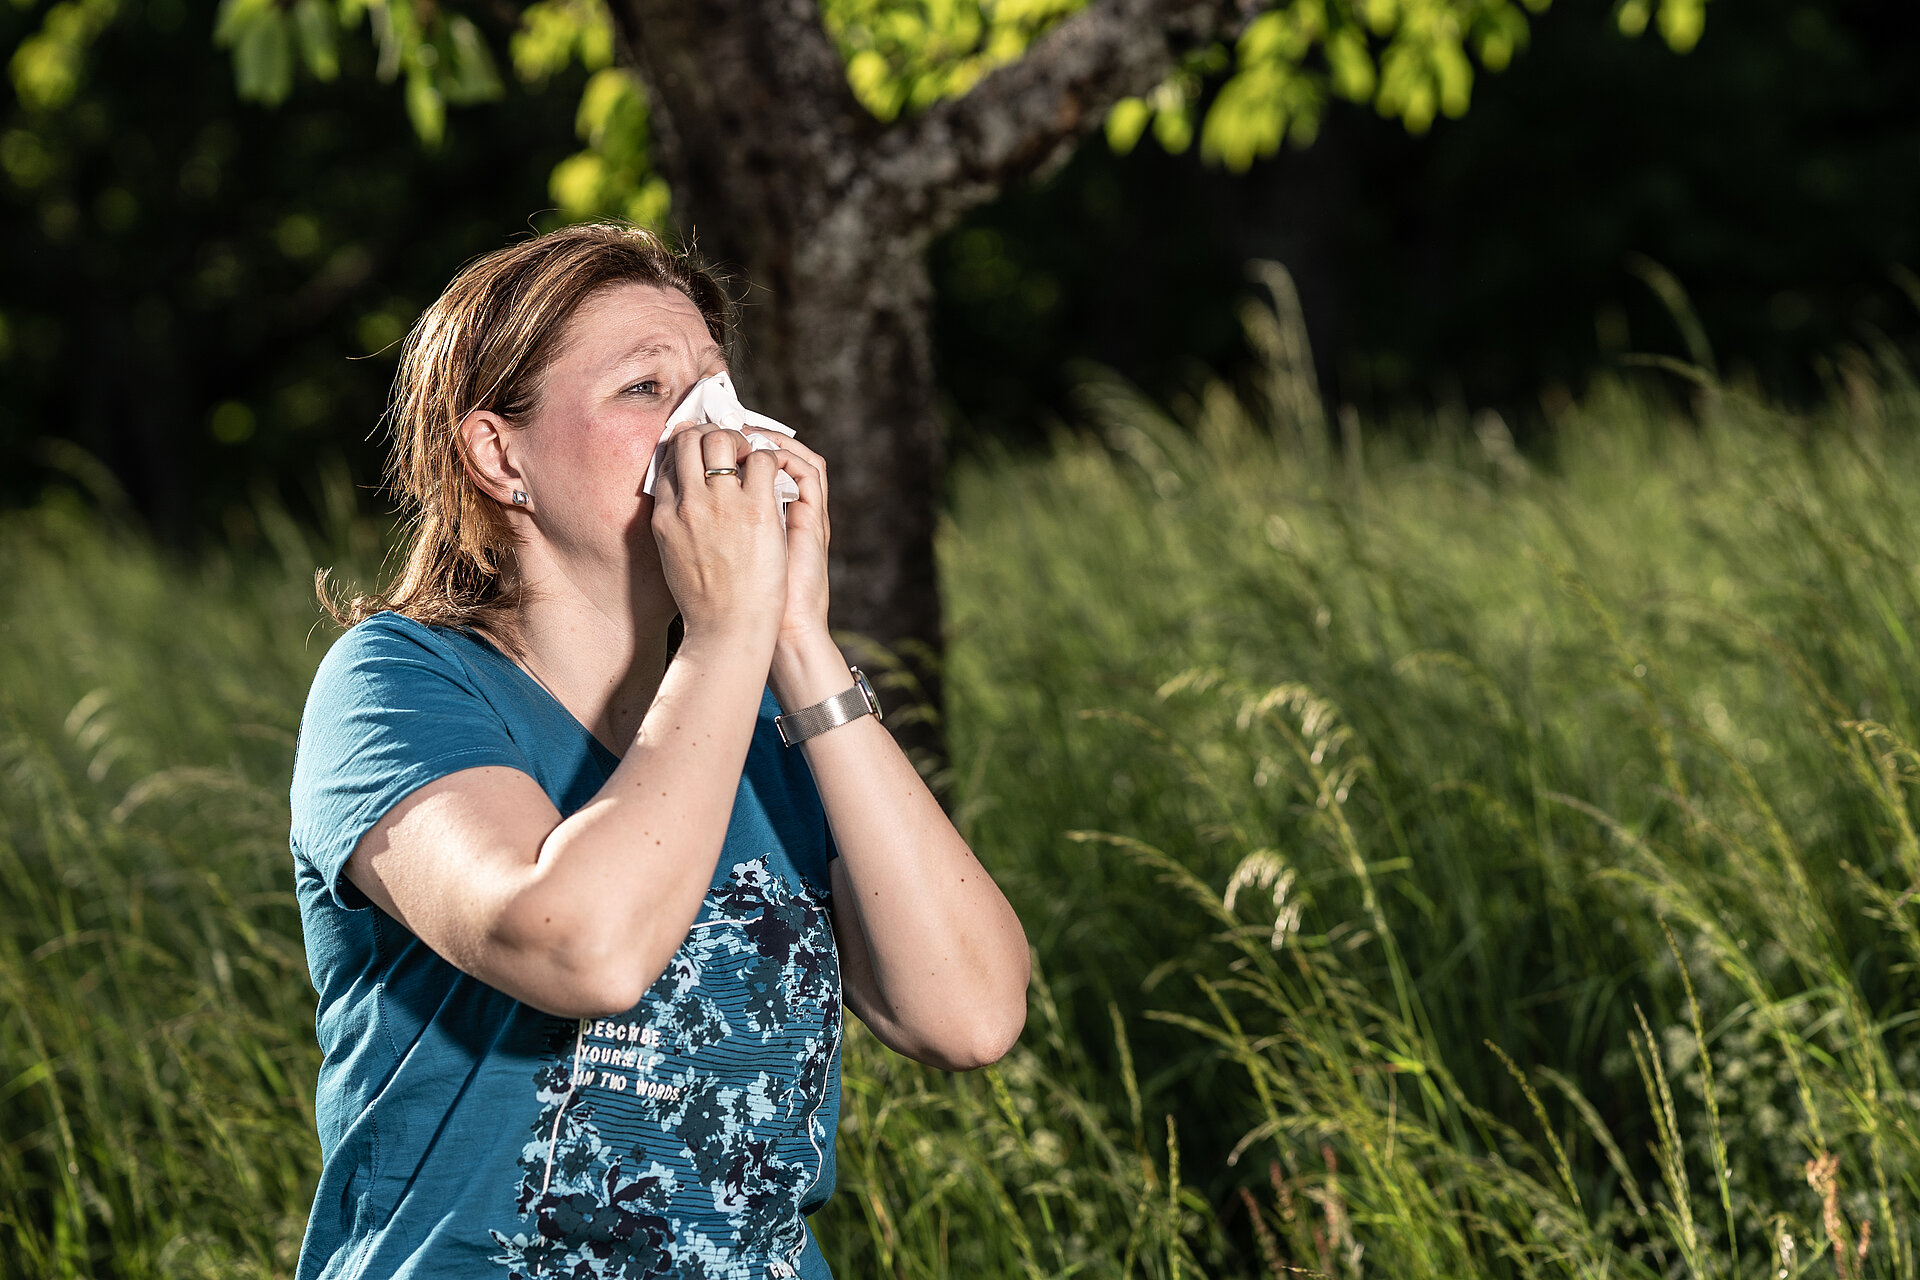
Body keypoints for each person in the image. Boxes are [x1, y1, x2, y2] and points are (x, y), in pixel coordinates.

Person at [287, 221, 1030, 1280]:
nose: (712, 428)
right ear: (500, 453)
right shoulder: (398, 683)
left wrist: (795, 641)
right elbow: (578, 946)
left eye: (717, 388)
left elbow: (970, 1012)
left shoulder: (766, 729)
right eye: (646, 390)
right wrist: (729, 631)